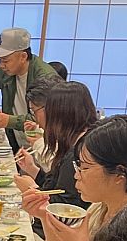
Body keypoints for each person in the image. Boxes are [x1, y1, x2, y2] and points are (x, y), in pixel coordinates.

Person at [16, 80, 98, 210]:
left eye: (34, 111)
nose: (35, 118)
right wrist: (33, 170)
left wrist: (32, 189)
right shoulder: (73, 140)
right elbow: (57, 187)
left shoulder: (81, 150)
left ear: (59, 113)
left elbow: (67, 207)